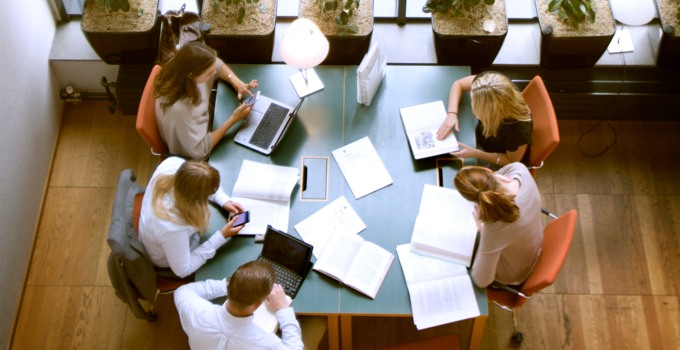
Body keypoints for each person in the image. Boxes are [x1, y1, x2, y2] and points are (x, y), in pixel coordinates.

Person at [138, 156, 245, 278]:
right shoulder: (172, 227)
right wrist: (222, 236)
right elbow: (183, 270)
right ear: (195, 200)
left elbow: (200, 181)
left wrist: (224, 201)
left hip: (162, 236)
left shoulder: (173, 164)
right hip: (168, 256)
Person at [154, 42, 258, 160]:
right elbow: (200, 152)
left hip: (203, 123)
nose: (214, 73)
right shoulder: (180, 111)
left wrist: (236, 82)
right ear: (191, 76)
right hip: (193, 154)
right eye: (209, 73)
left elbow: (217, 65)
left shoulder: (180, 65)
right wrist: (234, 119)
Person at [174, 260, 304, 349]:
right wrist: (283, 309)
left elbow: (182, 291)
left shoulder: (197, 311)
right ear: (257, 304)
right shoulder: (266, 344)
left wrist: (224, 285)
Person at [453, 162, 543, 288]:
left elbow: (481, 280)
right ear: (487, 170)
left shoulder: (497, 225)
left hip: (514, 271)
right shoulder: (519, 169)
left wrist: (482, 230)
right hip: (532, 243)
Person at [437, 71, 533, 168]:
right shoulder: (490, 82)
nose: (474, 112)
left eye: (478, 108)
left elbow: (510, 161)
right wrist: (452, 113)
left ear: (492, 112)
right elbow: (458, 84)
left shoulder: (518, 131)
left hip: (495, 156)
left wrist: (476, 153)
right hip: (482, 137)